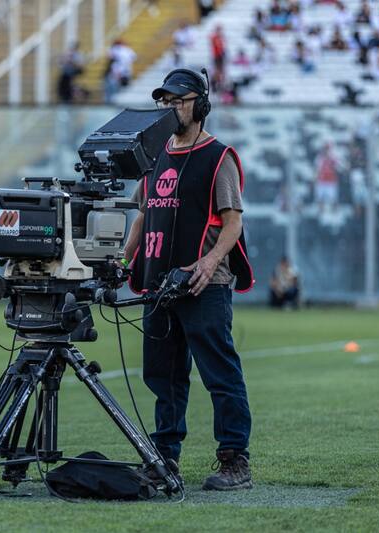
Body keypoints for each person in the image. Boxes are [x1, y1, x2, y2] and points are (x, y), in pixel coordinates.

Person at [124, 68, 255, 491]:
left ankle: (236, 460)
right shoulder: (153, 154)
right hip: (160, 285)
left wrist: (209, 261)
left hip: (205, 284)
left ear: (200, 104)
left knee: (220, 373)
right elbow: (143, 215)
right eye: (165, 100)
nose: (170, 107)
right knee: (163, 377)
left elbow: (233, 223)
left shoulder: (220, 157)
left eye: (178, 99)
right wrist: (124, 261)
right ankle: (165, 458)